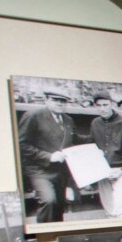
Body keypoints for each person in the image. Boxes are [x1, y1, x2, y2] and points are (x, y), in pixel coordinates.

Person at [17, 86, 80, 223]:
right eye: (55, 100)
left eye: (63, 101)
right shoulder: (33, 116)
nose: (59, 103)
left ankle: (56, 235)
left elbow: (75, 139)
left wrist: (95, 144)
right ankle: (44, 235)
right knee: (49, 201)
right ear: (46, 100)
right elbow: (21, 145)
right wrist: (48, 156)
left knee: (59, 206)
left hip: (60, 172)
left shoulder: (68, 120)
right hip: (39, 170)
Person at [90, 91, 122, 218]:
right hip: (103, 171)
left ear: (111, 104)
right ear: (95, 106)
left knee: (121, 207)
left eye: (105, 104)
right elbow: (92, 143)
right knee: (109, 209)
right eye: (99, 105)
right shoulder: (95, 123)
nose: (103, 108)